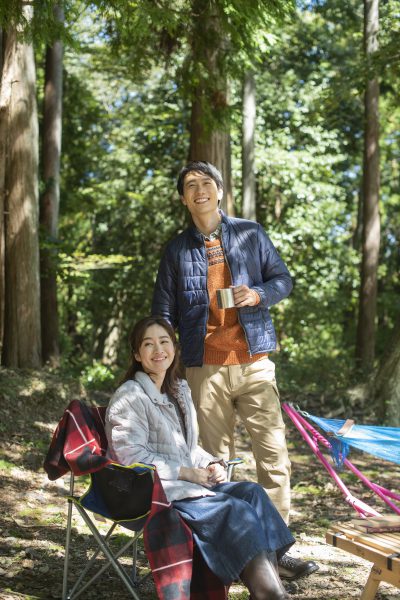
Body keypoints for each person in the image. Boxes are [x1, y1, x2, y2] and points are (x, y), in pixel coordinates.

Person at [151, 161, 318, 580]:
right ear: (184, 198)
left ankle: (276, 553)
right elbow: (163, 311)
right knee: (215, 464)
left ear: (220, 191)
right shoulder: (176, 250)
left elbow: (283, 280)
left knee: (274, 458)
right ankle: (236, 557)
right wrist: (161, 362)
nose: (200, 190)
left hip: (254, 363)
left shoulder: (250, 233)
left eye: (206, 183)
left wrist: (257, 294)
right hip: (203, 368)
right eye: (191, 185)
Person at [105, 316, 295, 599]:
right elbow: (131, 457)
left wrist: (210, 463)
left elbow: (188, 448)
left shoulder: (178, 390)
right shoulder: (129, 397)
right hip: (151, 492)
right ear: (136, 354)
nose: (158, 350)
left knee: (252, 493)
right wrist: (186, 472)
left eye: (164, 341)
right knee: (236, 510)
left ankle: (271, 585)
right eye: (148, 344)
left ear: (175, 348)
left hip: (185, 487)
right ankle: (271, 595)